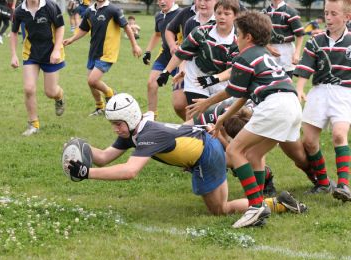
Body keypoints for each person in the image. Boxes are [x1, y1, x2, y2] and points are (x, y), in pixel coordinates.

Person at [65, 93, 307, 228]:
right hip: (205, 149)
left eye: (117, 124)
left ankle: (275, 203)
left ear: (129, 119)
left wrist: (86, 174)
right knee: (222, 201)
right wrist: (80, 147)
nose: (115, 129)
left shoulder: (147, 135)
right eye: (113, 124)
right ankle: (275, 202)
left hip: (207, 154)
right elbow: (105, 157)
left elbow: (130, 171)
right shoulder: (135, 131)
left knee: (220, 210)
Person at [186, 11, 303, 228]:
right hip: (293, 106)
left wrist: (205, 103)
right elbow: (243, 95)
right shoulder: (262, 55)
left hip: (275, 105)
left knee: (234, 151)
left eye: (238, 34)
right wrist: (222, 119)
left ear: (248, 37)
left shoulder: (245, 56)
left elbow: (231, 92)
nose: (236, 38)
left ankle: (255, 207)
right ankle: (259, 202)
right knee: (254, 153)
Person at [294, 0, 351, 200]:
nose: (328, 18)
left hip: (344, 93)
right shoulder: (315, 41)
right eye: (326, 13)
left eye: (334, 14)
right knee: (309, 141)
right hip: (319, 92)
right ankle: (324, 183)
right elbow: (305, 69)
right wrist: (300, 90)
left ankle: (344, 185)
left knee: (338, 134)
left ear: (347, 17)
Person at [157, 0, 237, 121]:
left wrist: (214, 79)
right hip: (197, 77)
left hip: (222, 80)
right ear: (214, 14)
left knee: (221, 119)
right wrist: (166, 72)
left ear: (235, 16)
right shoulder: (200, 32)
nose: (222, 17)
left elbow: (233, 70)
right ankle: (193, 135)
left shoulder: (238, 39)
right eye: (219, 13)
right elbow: (181, 53)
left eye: (227, 14)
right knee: (199, 117)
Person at [63, 0, 142, 116]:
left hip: (107, 53)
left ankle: (110, 93)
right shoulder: (89, 11)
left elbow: (126, 27)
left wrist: (134, 45)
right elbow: (84, 29)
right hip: (93, 52)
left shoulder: (113, 10)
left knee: (92, 80)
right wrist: (72, 39)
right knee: (91, 83)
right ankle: (100, 107)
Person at [10, 0, 66, 136]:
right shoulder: (19, 11)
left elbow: (60, 27)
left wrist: (56, 50)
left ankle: (59, 97)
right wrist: (13, 55)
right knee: (28, 88)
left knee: (50, 92)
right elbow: (13, 32)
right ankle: (33, 124)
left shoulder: (50, 6)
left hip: (51, 53)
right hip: (31, 54)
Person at [142, 0, 181, 120]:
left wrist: (180, 45)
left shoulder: (181, 14)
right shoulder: (159, 16)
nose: (162, 1)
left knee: (181, 99)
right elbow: (157, 34)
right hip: (164, 55)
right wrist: (148, 51)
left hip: (180, 58)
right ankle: (151, 116)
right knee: (151, 83)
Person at [262, 0, 304, 77]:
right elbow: (260, 33)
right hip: (268, 49)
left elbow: (300, 34)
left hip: (286, 51)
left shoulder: (290, 12)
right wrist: (268, 47)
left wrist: (297, 53)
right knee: (269, 77)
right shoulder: (264, 12)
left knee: (286, 78)